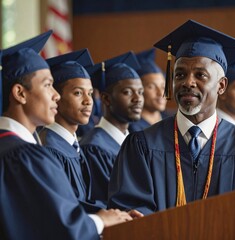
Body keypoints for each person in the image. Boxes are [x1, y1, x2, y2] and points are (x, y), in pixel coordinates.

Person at [108, 19, 235, 216]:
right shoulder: (142, 145)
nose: (188, 82)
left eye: (200, 75)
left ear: (221, 86)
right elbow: (130, 212)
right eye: (180, 75)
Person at [0, 31, 133, 240]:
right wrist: (101, 221)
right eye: (47, 85)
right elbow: (59, 228)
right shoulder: (26, 157)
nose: (56, 95)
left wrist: (112, 215)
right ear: (20, 93)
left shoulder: (14, 151)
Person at [39, 49, 105, 212]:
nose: (88, 101)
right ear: (56, 97)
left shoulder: (72, 145)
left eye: (90, 93)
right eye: (78, 93)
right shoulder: (50, 149)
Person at [80, 51, 144, 206]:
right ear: (106, 99)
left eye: (140, 92)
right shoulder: (94, 148)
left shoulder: (135, 142)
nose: (138, 99)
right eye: (127, 92)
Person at [129, 48, 169, 132]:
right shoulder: (132, 129)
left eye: (163, 86)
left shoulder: (172, 121)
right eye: (151, 87)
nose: (161, 93)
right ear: (139, 91)